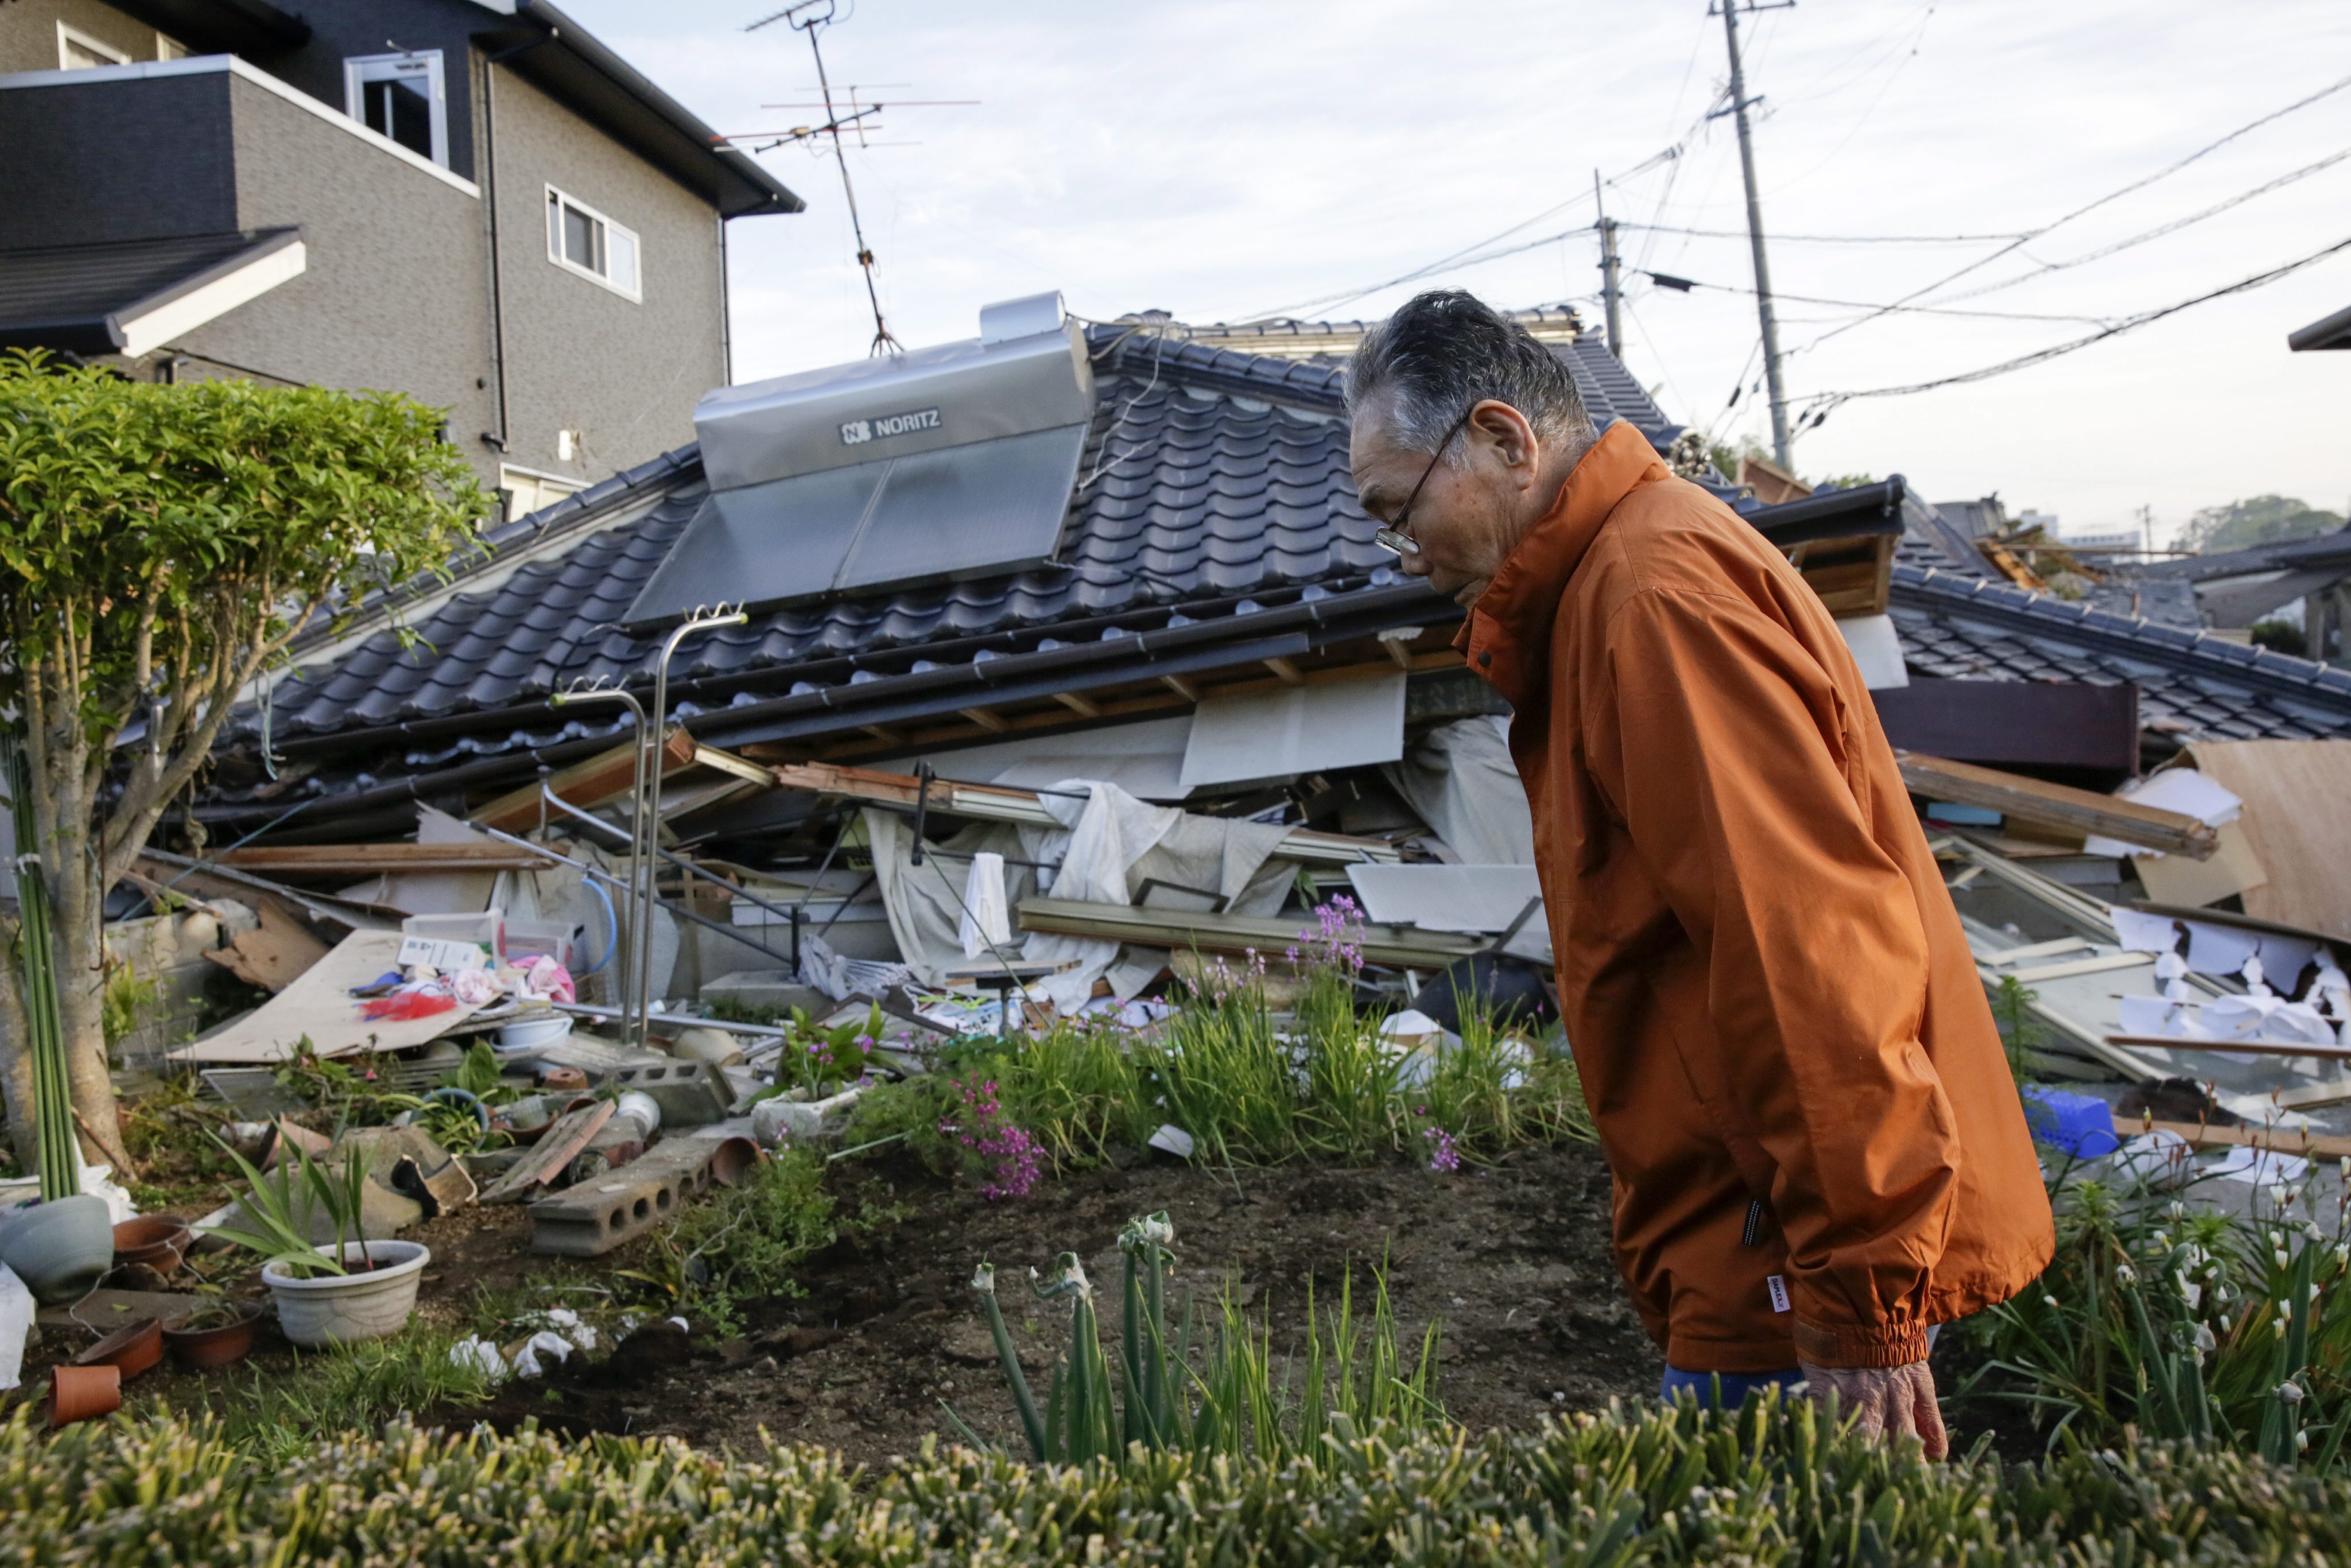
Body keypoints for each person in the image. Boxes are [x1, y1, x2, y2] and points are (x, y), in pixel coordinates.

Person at [1345, 290, 2053, 1457]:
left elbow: (1808, 957)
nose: (1406, 557)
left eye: (1397, 511)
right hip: (1767, 1247)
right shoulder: (1621, 580)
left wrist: (1858, 1301)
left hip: (1784, 1275)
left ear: (1503, 441)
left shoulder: (1651, 599)